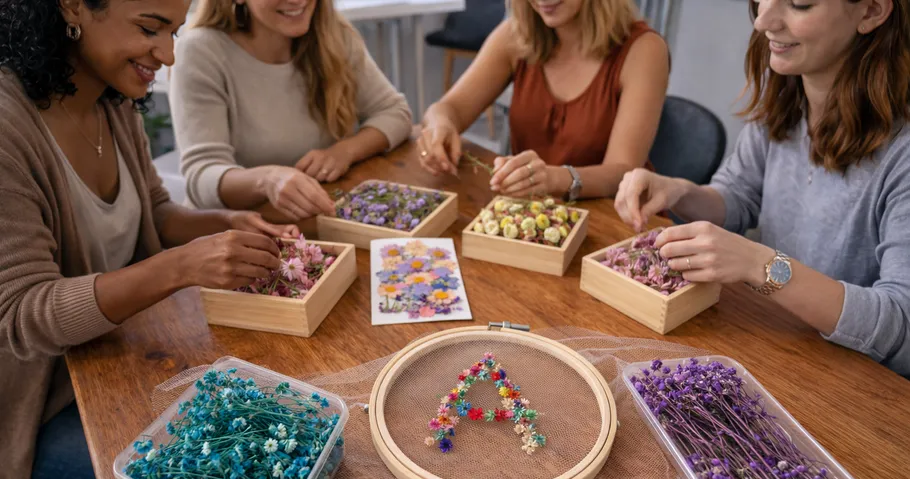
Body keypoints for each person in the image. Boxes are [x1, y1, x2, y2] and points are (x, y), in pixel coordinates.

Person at [0, 1, 302, 479]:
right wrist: (181, 266)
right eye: (150, 29)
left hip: (117, 361)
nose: (168, 55)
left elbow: (155, 211)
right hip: (38, 415)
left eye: (176, 31)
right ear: (73, 5)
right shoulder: (9, 127)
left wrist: (224, 224)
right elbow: (23, 314)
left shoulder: (110, 97)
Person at [614, 0, 910, 377]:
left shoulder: (902, 152)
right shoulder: (788, 89)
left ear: (871, 12)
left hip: (856, 386)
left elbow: (901, 328)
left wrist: (760, 265)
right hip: (773, 345)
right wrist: (679, 191)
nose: (764, 22)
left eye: (799, 4)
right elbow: (739, 197)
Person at [170, 0, 413, 221]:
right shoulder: (200, 50)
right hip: (233, 232)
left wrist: (343, 152)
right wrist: (268, 180)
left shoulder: (333, 34)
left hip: (315, 220)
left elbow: (395, 112)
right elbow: (201, 177)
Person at [417, 0, 670, 203]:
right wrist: (440, 126)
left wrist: (554, 179)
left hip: (613, 220)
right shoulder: (515, 35)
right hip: (536, 213)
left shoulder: (645, 49)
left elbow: (622, 171)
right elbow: (447, 109)